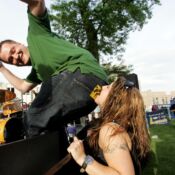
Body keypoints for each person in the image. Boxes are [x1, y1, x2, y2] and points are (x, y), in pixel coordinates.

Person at [0, 0, 107, 137]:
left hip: (84, 75)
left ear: (19, 43)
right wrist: (2, 68)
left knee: (32, 118)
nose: (15, 57)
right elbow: (22, 86)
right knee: (51, 126)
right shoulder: (38, 71)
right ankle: (62, 155)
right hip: (96, 92)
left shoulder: (36, 34)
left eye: (13, 50)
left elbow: (37, 2)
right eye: (11, 60)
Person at [67, 77, 150, 175]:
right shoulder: (117, 125)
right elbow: (94, 161)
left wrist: (81, 158)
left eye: (107, 87)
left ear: (115, 100)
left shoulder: (111, 130)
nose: (101, 87)